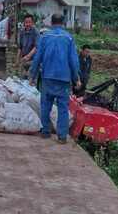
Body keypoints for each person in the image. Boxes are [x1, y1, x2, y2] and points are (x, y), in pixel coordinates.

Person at [30, 14, 80, 144]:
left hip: (47, 77)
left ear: (51, 23)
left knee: (45, 105)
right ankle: (62, 136)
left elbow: (37, 58)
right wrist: (76, 78)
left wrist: (32, 76)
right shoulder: (69, 38)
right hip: (64, 79)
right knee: (63, 107)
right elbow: (73, 61)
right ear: (63, 23)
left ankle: (45, 131)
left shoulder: (45, 37)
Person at [17, 14, 39, 78]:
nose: (28, 24)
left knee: (31, 81)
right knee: (21, 80)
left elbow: (36, 47)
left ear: (32, 23)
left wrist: (28, 56)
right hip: (24, 60)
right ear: (24, 23)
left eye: (29, 22)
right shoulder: (22, 32)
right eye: (26, 22)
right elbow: (20, 47)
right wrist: (17, 60)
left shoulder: (36, 32)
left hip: (33, 61)